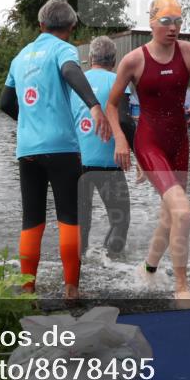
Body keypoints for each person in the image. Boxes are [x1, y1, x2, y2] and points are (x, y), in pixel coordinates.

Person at [0, 0, 110, 299]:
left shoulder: (19, 58)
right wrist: (95, 106)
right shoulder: (63, 49)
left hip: (27, 150)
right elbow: (72, 72)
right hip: (62, 148)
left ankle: (27, 289)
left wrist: (29, 124)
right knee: (68, 218)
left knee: (31, 220)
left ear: (41, 25)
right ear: (71, 28)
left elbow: (5, 102)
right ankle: (71, 288)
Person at [105, 0, 190, 301]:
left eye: (178, 20)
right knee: (184, 211)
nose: (173, 27)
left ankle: (148, 270)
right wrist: (122, 139)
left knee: (171, 215)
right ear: (152, 23)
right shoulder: (134, 60)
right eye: (166, 21)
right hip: (149, 141)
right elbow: (112, 106)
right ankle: (182, 287)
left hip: (179, 142)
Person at [70, 36, 136, 259]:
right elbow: (125, 120)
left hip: (77, 164)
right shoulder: (116, 81)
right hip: (109, 165)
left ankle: (79, 272)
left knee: (81, 223)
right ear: (114, 60)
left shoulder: (75, 83)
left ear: (89, 59)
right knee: (121, 220)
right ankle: (112, 263)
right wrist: (139, 154)